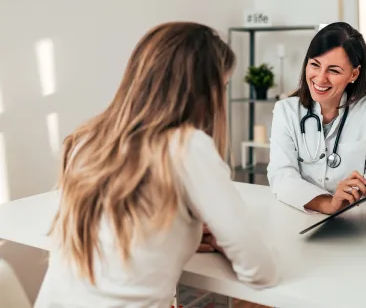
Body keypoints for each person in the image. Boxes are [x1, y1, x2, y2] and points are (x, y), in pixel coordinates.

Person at [34, 22, 278, 308]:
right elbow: (260, 272)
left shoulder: (87, 139)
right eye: (222, 86)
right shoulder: (187, 147)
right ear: (201, 90)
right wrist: (227, 241)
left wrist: (186, 233)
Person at [267, 22, 366, 214]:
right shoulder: (286, 110)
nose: (320, 78)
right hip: (300, 217)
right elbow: (282, 176)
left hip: (355, 221)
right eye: (315, 64)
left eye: (333, 70)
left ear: (354, 74)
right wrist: (329, 204)